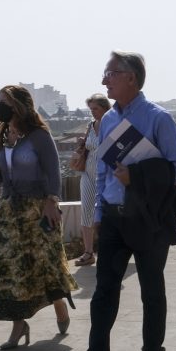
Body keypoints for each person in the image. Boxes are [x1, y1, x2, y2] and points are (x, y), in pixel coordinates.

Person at [66, 51, 176, 351]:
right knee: (104, 290)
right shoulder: (107, 120)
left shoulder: (159, 118)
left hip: (147, 218)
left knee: (151, 290)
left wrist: (137, 176)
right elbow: (104, 169)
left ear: (131, 77)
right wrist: (99, 210)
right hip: (114, 218)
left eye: (110, 74)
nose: (104, 80)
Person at [0, 85, 78, 349]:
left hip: (38, 209)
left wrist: (52, 201)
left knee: (46, 262)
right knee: (12, 269)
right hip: (11, 213)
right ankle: (19, 325)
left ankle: (58, 303)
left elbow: (54, 172)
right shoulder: (1, 137)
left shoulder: (39, 136)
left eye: (4, 102)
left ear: (19, 106)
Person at [73, 94, 109, 267]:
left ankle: (110, 250)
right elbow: (88, 147)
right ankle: (88, 252)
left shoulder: (113, 124)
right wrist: (83, 142)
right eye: (91, 109)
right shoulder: (90, 125)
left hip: (107, 177)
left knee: (107, 214)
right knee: (86, 211)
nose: (93, 112)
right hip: (88, 173)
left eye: (96, 108)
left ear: (105, 108)